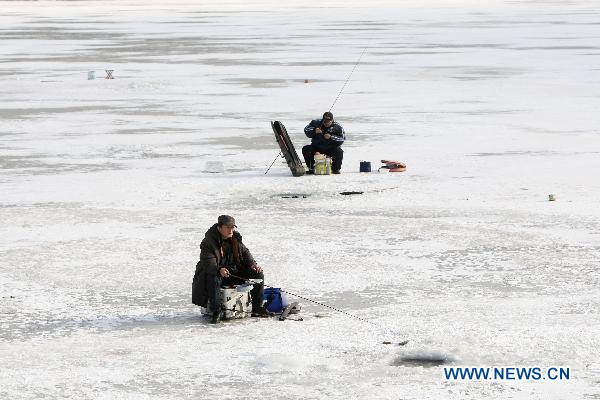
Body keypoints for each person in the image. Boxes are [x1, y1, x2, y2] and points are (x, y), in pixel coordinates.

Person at [192, 215, 271, 323]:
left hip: (233, 273)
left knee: (257, 274)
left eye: (233, 227)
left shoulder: (236, 239)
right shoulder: (208, 242)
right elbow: (208, 263)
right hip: (216, 274)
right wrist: (219, 270)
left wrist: (253, 264)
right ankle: (216, 311)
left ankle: (257, 308)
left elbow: (246, 253)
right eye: (228, 227)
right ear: (219, 228)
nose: (231, 230)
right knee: (214, 277)